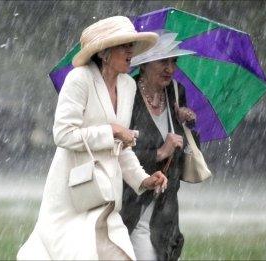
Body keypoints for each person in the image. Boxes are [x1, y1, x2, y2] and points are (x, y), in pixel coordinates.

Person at [17, 16, 168, 260]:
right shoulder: (79, 79)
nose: (130, 51)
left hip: (105, 197)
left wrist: (143, 180)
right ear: (104, 52)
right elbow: (63, 134)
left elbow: (120, 146)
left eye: (132, 45)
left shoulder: (128, 85)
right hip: (73, 195)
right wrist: (111, 131)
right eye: (124, 45)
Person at [120, 32, 198, 261]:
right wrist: (159, 152)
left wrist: (188, 125)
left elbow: (185, 157)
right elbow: (118, 152)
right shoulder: (127, 93)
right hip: (133, 206)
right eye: (163, 61)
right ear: (143, 64)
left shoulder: (176, 92)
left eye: (174, 61)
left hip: (166, 212)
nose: (170, 68)